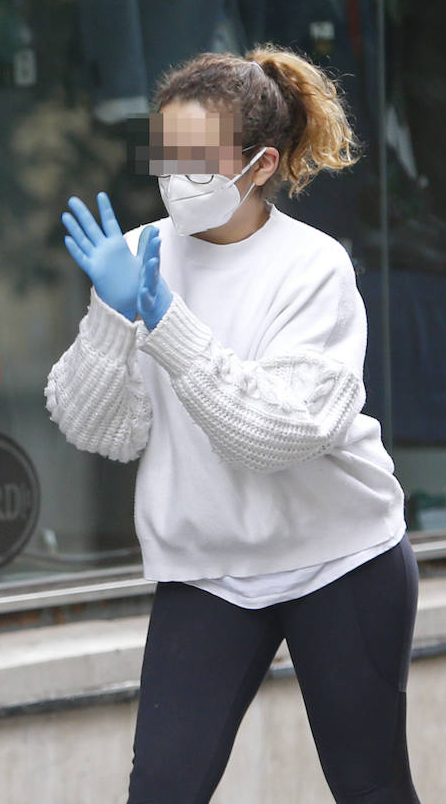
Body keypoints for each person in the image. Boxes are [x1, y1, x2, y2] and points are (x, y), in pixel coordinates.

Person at [46, 46, 419, 803]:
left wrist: (165, 320)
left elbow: (276, 435)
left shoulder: (313, 268)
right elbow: (99, 428)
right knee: (161, 788)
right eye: (166, 151)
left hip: (339, 557)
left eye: (197, 157)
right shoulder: (138, 259)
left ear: (259, 165)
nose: (175, 174)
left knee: (370, 786)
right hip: (208, 566)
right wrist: (117, 316)